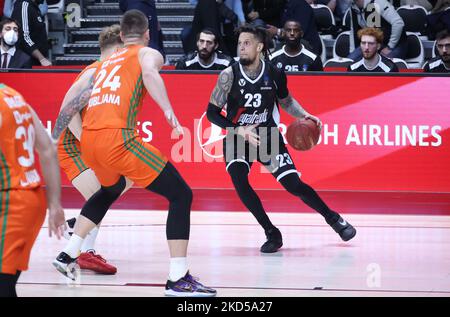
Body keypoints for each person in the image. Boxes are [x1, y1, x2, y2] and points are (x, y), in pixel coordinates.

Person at [50, 9, 216, 297]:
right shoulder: (146, 53)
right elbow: (151, 74)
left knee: (109, 189)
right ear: (148, 32)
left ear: (122, 34)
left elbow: (73, 103)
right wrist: (167, 110)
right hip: (118, 139)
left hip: (89, 141)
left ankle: (68, 253)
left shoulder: (101, 64)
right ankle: (178, 278)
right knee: (181, 194)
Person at [206, 25, 356, 254]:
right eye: (239, 43)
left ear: (259, 46)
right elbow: (212, 113)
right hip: (238, 136)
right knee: (240, 181)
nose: (241, 47)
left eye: (246, 43)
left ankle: (334, 219)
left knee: (293, 184)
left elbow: (286, 102)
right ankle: (271, 233)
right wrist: (237, 130)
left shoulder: (275, 73)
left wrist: (305, 114)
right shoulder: (228, 75)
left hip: (268, 134)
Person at [57, 25, 133, 275]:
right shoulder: (96, 72)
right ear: (118, 50)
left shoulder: (106, 71)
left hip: (90, 144)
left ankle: (78, 224)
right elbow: (66, 110)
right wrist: (87, 142)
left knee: (131, 176)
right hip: (74, 146)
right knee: (103, 192)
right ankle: (83, 252)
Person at [0, 83, 65, 297]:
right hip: (29, 200)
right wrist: (55, 204)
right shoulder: (14, 96)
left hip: (11, 201)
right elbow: (46, 148)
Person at [11, 0, 51, 66]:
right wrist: (41, 58)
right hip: (27, 62)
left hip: (36, 60)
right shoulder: (24, 6)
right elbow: (24, 36)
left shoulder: (34, 7)